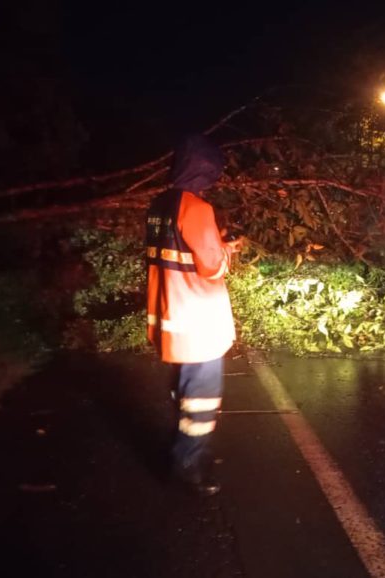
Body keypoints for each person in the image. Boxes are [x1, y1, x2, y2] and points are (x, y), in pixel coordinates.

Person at [145, 134, 242, 496]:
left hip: (171, 315)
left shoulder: (159, 203)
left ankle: (181, 445)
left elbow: (177, 254)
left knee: (183, 388)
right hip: (198, 321)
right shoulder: (197, 209)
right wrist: (226, 251)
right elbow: (211, 267)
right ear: (205, 170)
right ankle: (187, 462)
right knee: (201, 394)